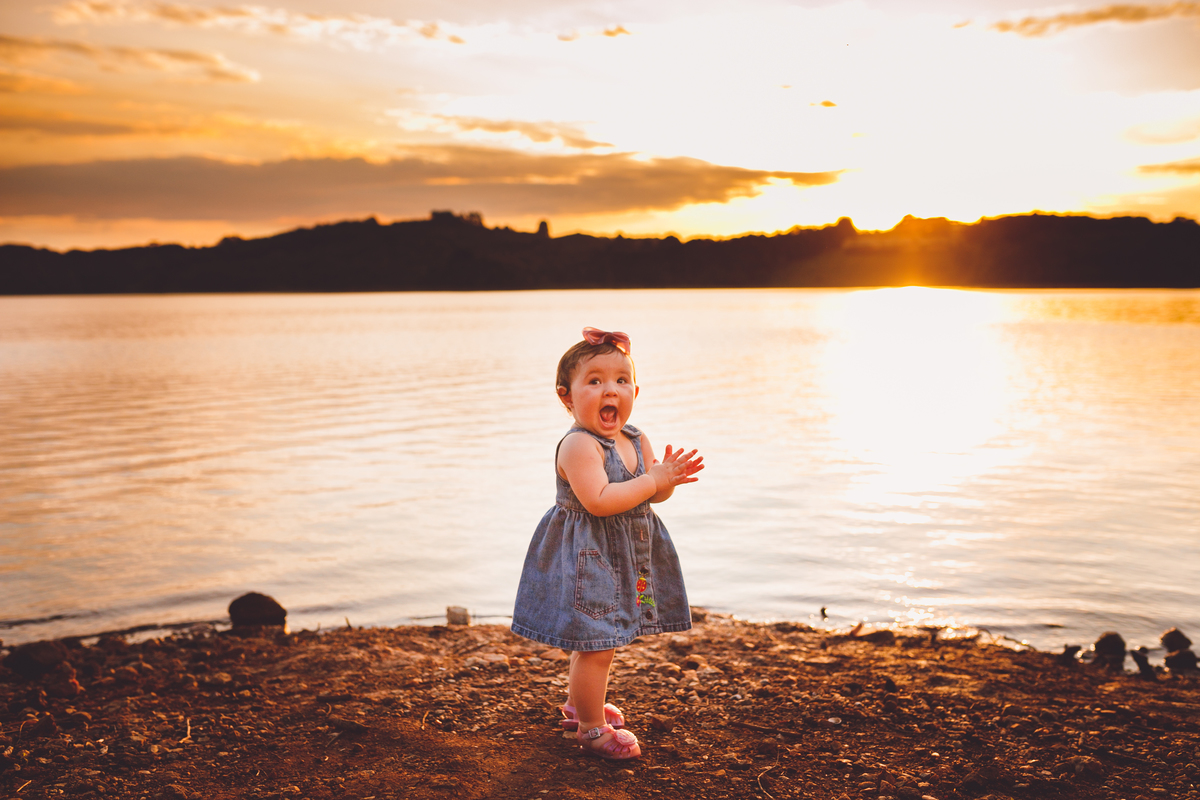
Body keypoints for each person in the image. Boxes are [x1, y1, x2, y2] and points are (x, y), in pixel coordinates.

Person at [512, 327, 704, 760]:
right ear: (566, 397)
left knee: (602, 639)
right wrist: (652, 480)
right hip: (590, 559)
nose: (610, 390)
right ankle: (591, 728)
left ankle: (580, 704)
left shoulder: (635, 438)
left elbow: (652, 495)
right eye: (594, 381)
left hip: (629, 556)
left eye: (621, 380)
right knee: (596, 644)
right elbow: (599, 501)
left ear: (635, 391)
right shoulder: (578, 445)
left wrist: (666, 480)